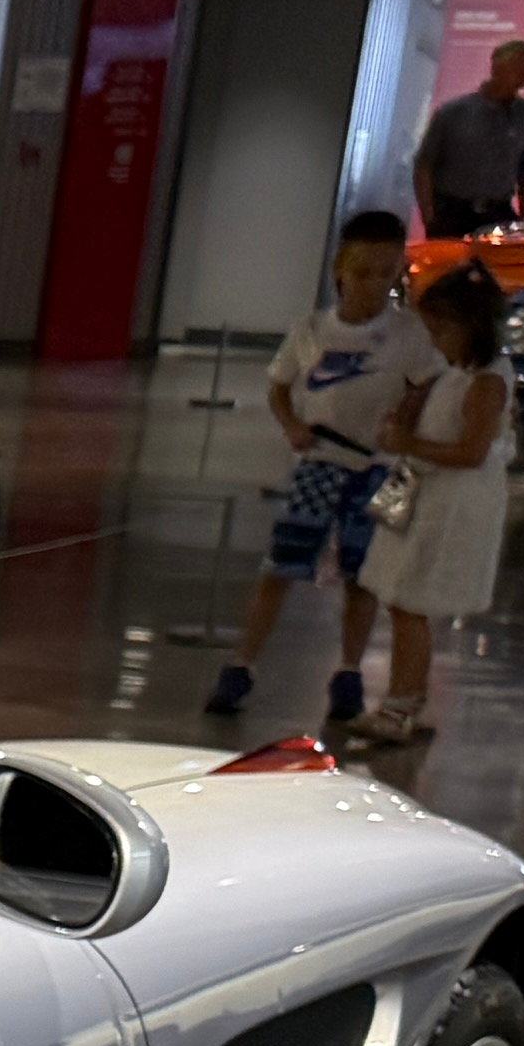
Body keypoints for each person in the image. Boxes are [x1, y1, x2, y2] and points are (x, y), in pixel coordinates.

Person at [210, 210, 432, 734]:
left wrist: (403, 428)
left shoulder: (409, 335)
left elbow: (426, 388)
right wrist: (293, 427)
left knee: (365, 575)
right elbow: (280, 384)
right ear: (340, 271)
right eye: (363, 273)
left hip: (381, 470)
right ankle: (242, 665)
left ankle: (350, 674)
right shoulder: (312, 330)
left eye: (386, 273)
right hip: (320, 462)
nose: (374, 286)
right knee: (283, 564)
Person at [358, 264, 512, 749]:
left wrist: (410, 443)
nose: (435, 341)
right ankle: (408, 701)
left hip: (451, 505)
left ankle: (400, 705)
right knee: (404, 600)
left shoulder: (487, 381)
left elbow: (471, 452)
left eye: (441, 330)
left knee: (411, 603)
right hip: (429, 496)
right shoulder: (455, 374)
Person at [416, 39, 524, 242]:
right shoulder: (453, 113)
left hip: (497, 214)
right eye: (518, 68)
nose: (523, 77)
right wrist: (430, 219)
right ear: (498, 68)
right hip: (453, 214)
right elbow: (424, 166)